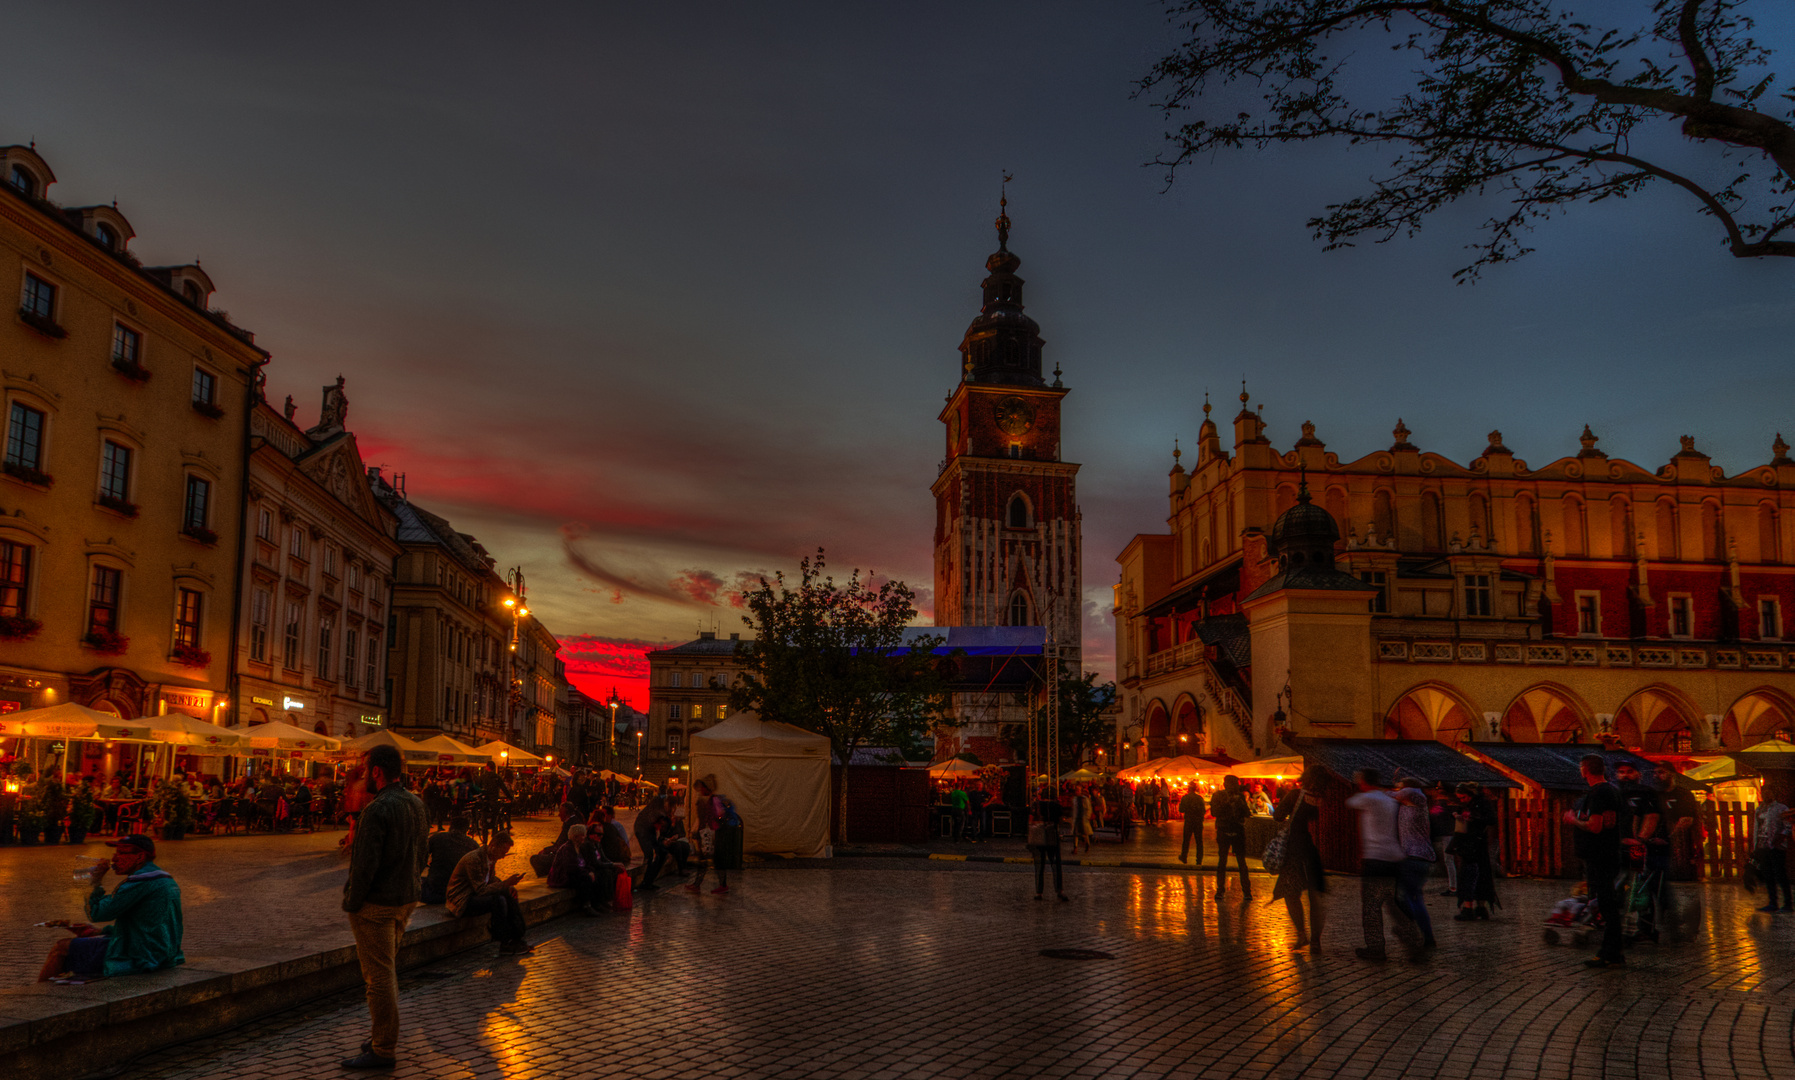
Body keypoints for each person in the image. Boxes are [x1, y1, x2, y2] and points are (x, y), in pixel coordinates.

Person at [340, 743, 429, 1070]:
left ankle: (383, 1048)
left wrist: (352, 902)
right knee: (387, 972)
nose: (364, 777)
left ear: (377, 771)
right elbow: (423, 853)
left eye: (366, 771)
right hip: (406, 899)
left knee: (378, 977)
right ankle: (382, 1034)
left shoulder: (377, 810)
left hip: (376, 905)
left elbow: (364, 866)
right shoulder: (417, 804)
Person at [37, 834, 183, 981]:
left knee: (61, 948)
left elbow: (97, 913)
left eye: (121, 853)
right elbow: (149, 925)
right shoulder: (164, 878)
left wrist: (95, 882)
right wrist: (100, 931)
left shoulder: (140, 881)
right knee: (82, 948)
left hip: (140, 956)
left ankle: (37, 998)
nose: (114, 859)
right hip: (162, 952)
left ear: (139, 857)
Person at [1344, 769, 1425, 962]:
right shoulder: (1389, 800)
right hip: (1395, 858)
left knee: (1372, 907)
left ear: (1364, 782)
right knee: (1395, 904)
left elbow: (1350, 803)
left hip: (1375, 858)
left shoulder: (1369, 798)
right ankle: (1413, 943)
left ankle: (1376, 948)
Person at [1564, 754, 1626, 969]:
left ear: (1584, 769)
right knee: (1607, 903)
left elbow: (1595, 826)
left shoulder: (1599, 793)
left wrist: (1574, 820)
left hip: (1600, 856)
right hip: (1606, 854)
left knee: (1607, 904)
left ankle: (1609, 951)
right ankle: (1614, 951)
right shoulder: (1611, 791)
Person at [447, 831, 532, 954]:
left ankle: (517, 936)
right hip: (462, 899)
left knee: (509, 895)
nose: (503, 856)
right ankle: (504, 941)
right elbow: (481, 890)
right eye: (503, 852)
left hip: (475, 895)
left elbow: (491, 880)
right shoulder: (474, 859)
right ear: (494, 846)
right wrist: (505, 884)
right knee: (498, 901)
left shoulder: (491, 858)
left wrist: (507, 887)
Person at [1271, 767, 1326, 952]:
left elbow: (1277, 816)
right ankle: (1316, 941)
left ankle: (1302, 935)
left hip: (1295, 851)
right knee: (1315, 897)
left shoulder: (1295, 795)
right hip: (1315, 854)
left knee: (1291, 893)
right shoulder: (1324, 800)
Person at [1390, 777, 1438, 949]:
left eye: (1400, 787)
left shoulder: (1416, 796)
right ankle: (1425, 935)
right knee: (1410, 897)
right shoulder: (1408, 804)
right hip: (1413, 857)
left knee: (1407, 898)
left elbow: (1402, 793)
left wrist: (1380, 791)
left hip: (1416, 857)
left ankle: (1414, 931)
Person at [1450, 782, 1499, 921]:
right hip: (1467, 842)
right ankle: (1472, 907)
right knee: (1471, 874)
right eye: (1460, 798)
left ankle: (1474, 907)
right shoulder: (1468, 804)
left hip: (1477, 843)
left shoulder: (1481, 804)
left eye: (1464, 797)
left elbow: (1491, 819)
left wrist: (1473, 818)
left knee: (1475, 874)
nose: (1462, 800)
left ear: (1470, 794)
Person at [687, 778, 738, 895]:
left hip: (712, 834)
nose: (699, 791)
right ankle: (699, 884)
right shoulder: (708, 799)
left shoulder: (712, 800)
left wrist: (710, 828)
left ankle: (719, 885)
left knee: (711, 860)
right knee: (706, 859)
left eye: (700, 788)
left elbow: (717, 815)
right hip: (709, 833)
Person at [548, 823, 611, 915]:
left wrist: (590, 871)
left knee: (596, 874)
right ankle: (587, 906)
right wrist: (586, 873)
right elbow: (571, 868)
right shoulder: (568, 848)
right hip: (563, 876)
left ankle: (598, 902)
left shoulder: (579, 847)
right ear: (576, 836)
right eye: (582, 835)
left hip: (577, 872)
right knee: (585, 879)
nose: (584, 837)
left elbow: (587, 863)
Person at [421, 816, 479, 905]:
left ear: (451, 827)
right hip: (458, 892)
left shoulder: (438, 838)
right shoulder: (473, 845)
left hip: (436, 890)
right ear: (466, 829)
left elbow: (421, 855)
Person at [1211, 775, 1251, 900]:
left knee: (1238, 862)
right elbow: (1214, 812)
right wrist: (1227, 803)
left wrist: (1240, 803)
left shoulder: (1239, 796)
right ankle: (1223, 890)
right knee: (1226, 861)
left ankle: (1244, 891)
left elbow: (1247, 813)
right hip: (1227, 830)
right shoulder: (1219, 796)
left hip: (1234, 830)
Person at [1752, 787, 1792, 913]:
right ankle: (1773, 903)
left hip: (1776, 846)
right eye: (1764, 793)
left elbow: (1788, 826)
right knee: (1768, 876)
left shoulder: (1781, 808)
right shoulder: (1759, 809)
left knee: (1780, 875)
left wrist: (1780, 838)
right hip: (1763, 846)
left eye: (1768, 793)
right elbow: (1756, 828)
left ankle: (1787, 904)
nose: (1766, 795)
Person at [1028, 785, 1068, 901]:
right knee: (1056, 865)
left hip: (1039, 835)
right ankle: (1059, 890)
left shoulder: (1036, 804)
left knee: (1039, 866)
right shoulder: (1057, 806)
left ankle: (1039, 892)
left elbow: (1031, 819)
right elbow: (1061, 820)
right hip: (1052, 835)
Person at [634, 794, 671, 891]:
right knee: (650, 855)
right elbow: (653, 820)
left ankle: (649, 881)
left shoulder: (660, 810)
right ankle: (645, 882)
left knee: (661, 853)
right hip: (643, 831)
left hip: (649, 832)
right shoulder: (656, 809)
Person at [1428, 782, 1458, 895]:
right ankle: (1453, 886)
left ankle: (1453, 887)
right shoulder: (1451, 801)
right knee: (1448, 860)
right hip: (1446, 833)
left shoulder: (1444, 802)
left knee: (1449, 860)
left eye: (1439, 787)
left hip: (1447, 834)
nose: (1437, 790)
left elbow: (1435, 813)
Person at [1178, 783, 1206, 865]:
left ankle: (1184, 856)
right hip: (1198, 821)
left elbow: (1181, 810)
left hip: (1189, 821)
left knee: (1186, 840)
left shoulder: (1185, 798)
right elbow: (1203, 810)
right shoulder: (1199, 798)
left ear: (1188, 789)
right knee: (1199, 841)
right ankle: (1199, 859)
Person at [1070, 787, 1094, 854]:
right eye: (1076, 790)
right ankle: (1075, 848)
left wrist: (1087, 817)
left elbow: (1088, 808)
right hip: (1076, 818)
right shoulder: (1074, 799)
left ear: (1080, 791)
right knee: (1075, 833)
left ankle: (1087, 845)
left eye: (1078, 790)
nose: (1077, 792)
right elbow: (1073, 809)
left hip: (1083, 818)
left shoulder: (1085, 799)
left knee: (1085, 833)